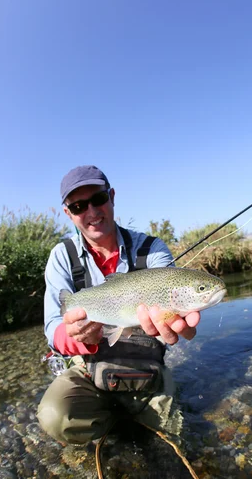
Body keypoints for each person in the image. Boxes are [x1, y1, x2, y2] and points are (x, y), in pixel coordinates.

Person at [38, 165, 200, 445]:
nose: (91, 212)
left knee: (176, 437)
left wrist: (173, 322)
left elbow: (170, 285)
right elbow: (53, 327)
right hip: (89, 370)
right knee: (55, 415)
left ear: (111, 196)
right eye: (78, 206)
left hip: (146, 370)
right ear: (68, 213)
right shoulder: (61, 257)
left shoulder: (152, 249)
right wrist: (77, 336)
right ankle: (109, 423)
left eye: (98, 199)